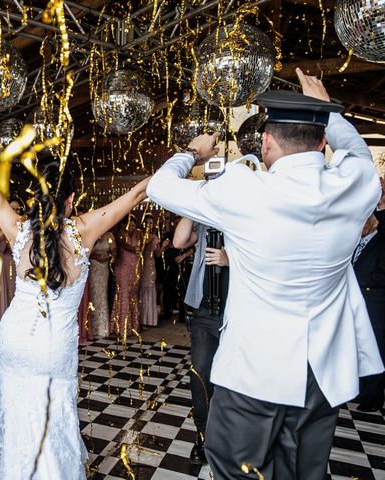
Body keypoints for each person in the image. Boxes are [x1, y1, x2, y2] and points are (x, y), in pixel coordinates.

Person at [147, 69, 384, 479]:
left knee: (234, 466)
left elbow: (160, 187)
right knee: (304, 473)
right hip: (322, 374)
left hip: (254, 374)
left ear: (268, 142)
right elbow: (360, 154)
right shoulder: (356, 184)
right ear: (322, 142)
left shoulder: (245, 191)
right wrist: (329, 111)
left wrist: (192, 151)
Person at [0, 146, 149, 479]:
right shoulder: (84, 229)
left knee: (19, 427)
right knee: (52, 423)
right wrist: (188, 157)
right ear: (71, 198)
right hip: (51, 347)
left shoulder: (18, 228)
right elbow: (136, 195)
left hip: (14, 341)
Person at [173, 217, 229, 465]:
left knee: (233, 380)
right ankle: (203, 437)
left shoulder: (248, 209)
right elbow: (179, 241)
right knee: (200, 376)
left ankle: (232, 439)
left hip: (237, 310)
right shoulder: (206, 217)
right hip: (204, 311)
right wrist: (193, 201)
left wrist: (230, 260)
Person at [353, 181, 385, 412]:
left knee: (376, 350)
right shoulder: (355, 244)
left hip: (375, 305)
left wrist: (357, 279)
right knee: (359, 348)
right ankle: (360, 390)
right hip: (358, 304)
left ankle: (373, 397)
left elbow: (381, 274)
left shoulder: (382, 243)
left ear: (372, 223)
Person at [111, 215, 143, 338]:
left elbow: (142, 245)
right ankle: (122, 327)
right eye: (130, 225)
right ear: (124, 225)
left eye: (134, 225)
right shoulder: (120, 234)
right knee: (124, 294)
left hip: (135, 268)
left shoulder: (138, 235)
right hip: (123, 268)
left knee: (133, 295)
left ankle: (134, 325)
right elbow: (125, 245)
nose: (132, 228)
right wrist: (134, 248)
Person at [89, 231, 116, 338]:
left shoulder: (110, 235)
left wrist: (109, 256)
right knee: (93, 294)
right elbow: (86, 251)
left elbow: (114, 251)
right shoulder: (93, 233)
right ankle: (91, 327)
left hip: (103, 267)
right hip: (93, 266)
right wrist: (96, 257)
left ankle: (101, 327)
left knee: (102, 295)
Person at [140, 214, 160, 327]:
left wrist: (163, 247)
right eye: (147, 223)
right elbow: (140, 249)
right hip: (142, 264)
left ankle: (150, 320)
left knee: (151, 289)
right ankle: (142, 318)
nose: (149, 225)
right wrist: (148, 240)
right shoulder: (140, 235)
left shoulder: (155, 237)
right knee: (142, 289)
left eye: (151, 223)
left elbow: (157, 254)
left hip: (151, 265)